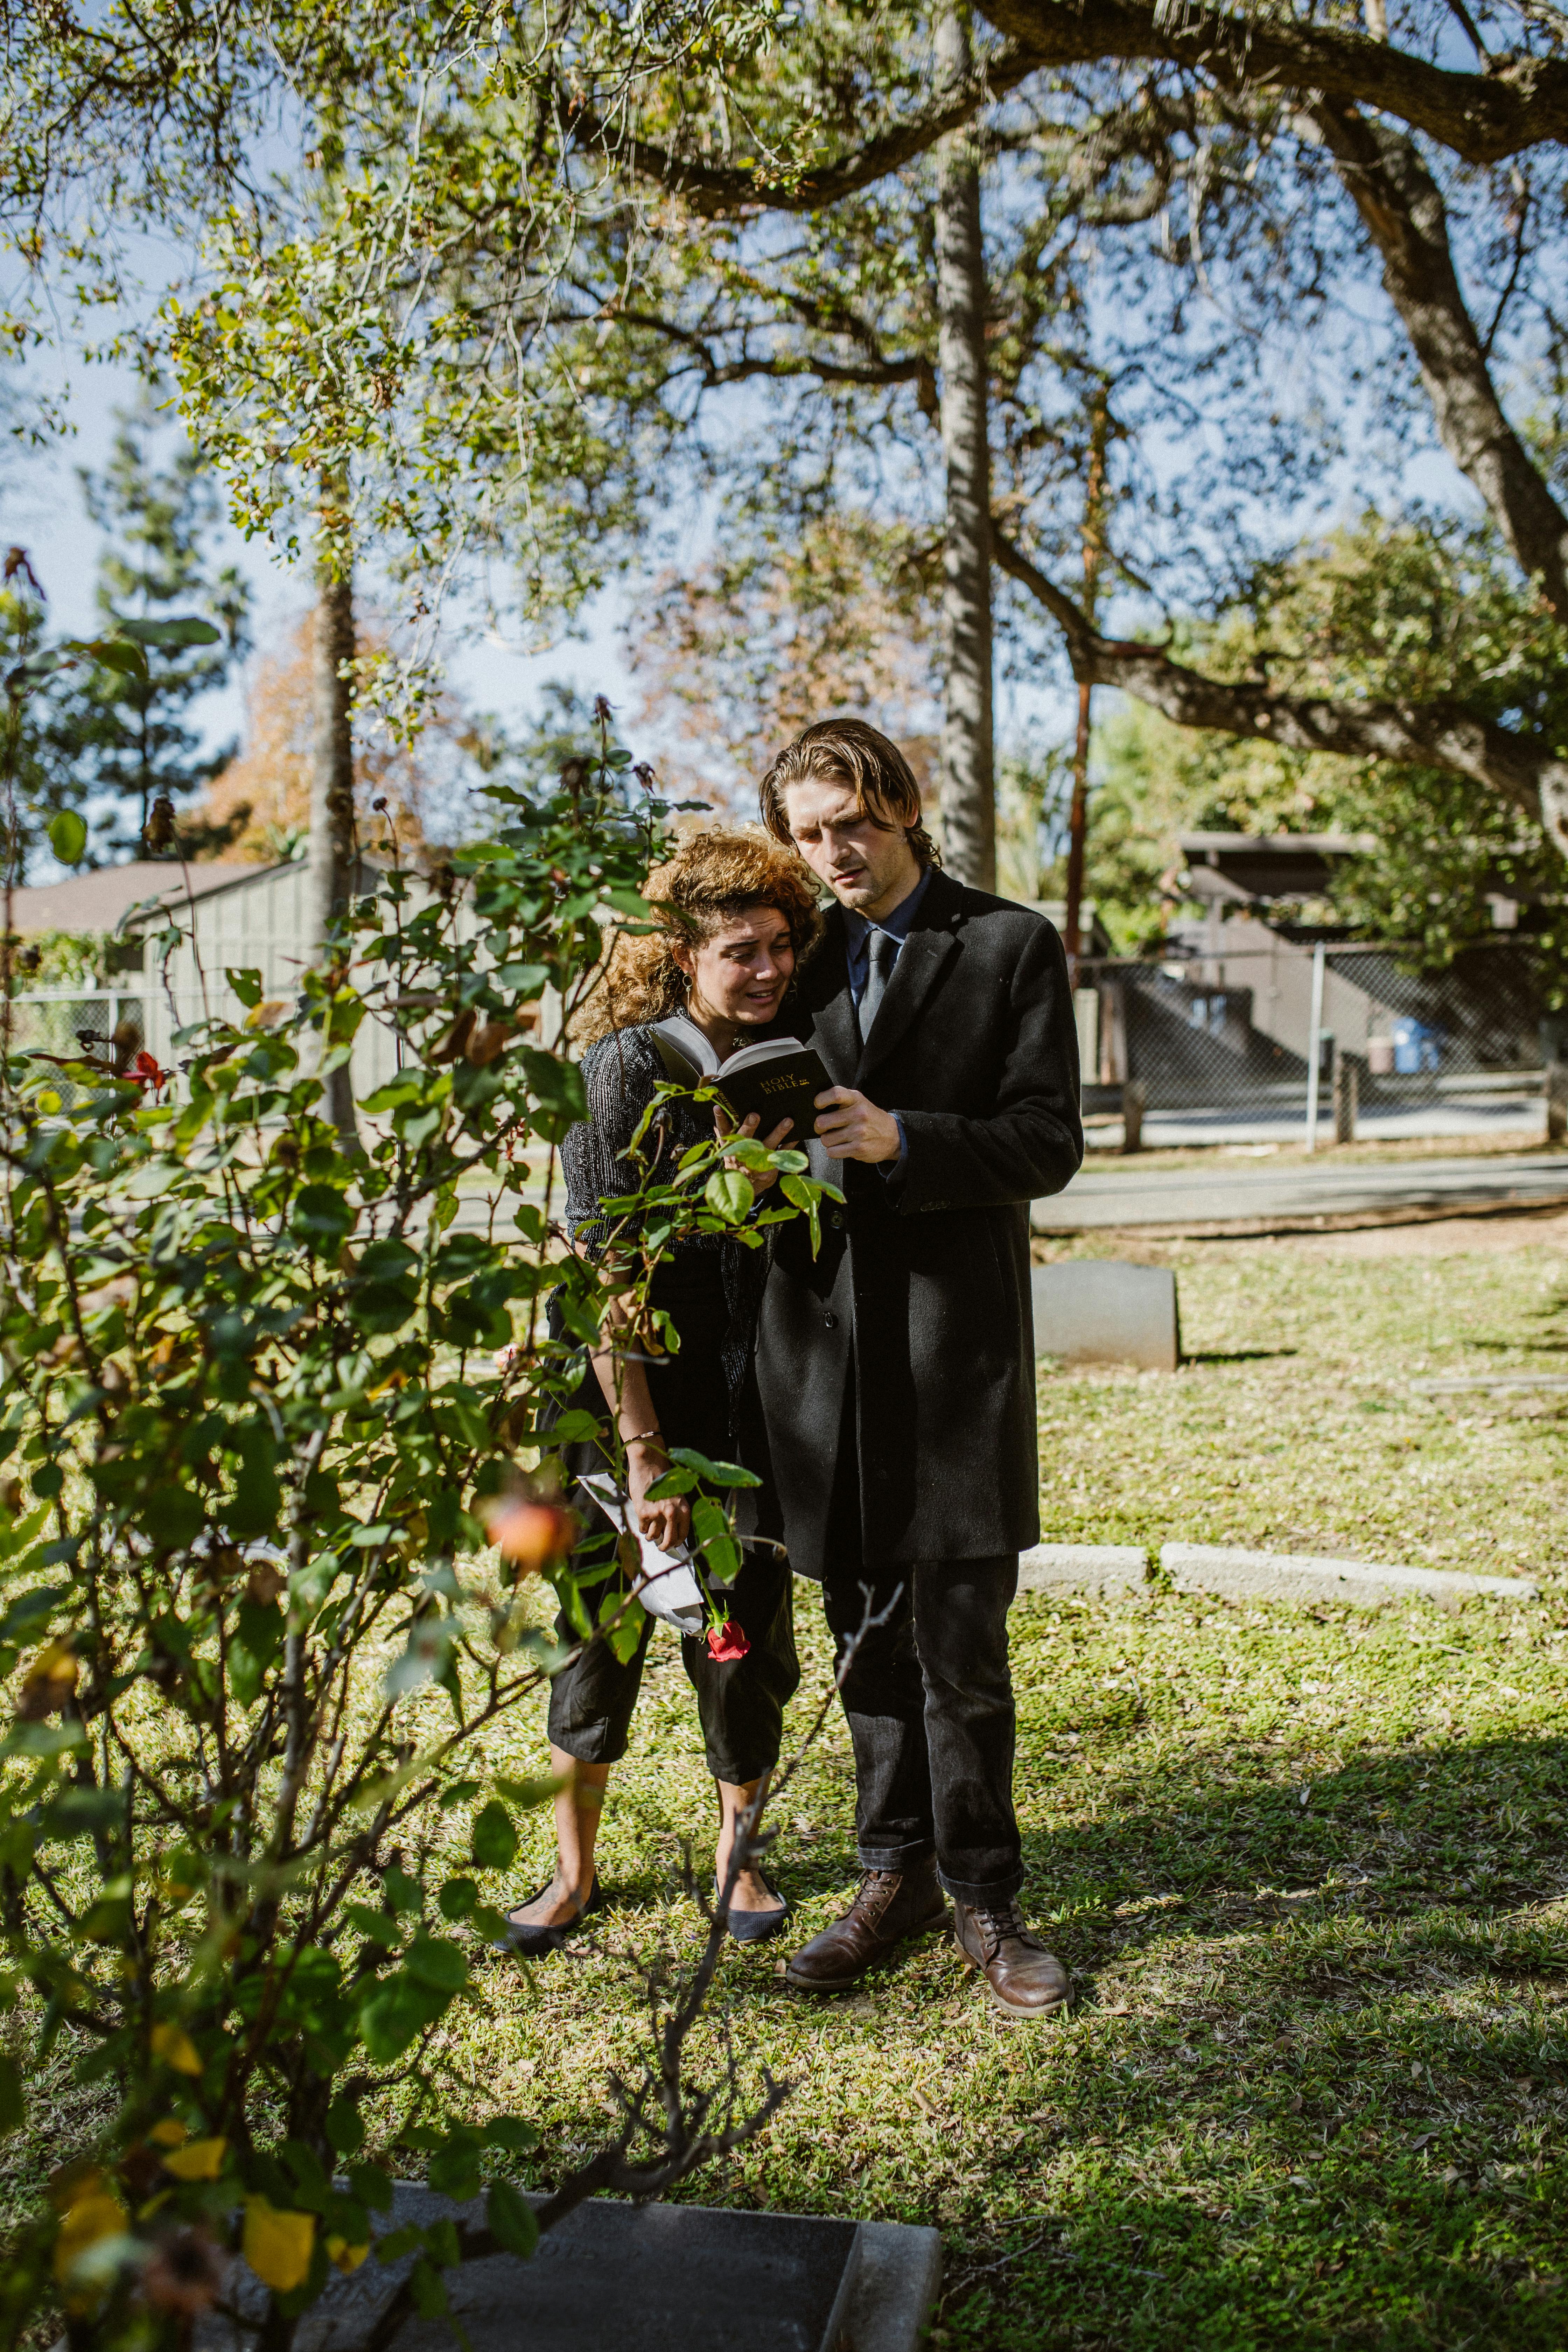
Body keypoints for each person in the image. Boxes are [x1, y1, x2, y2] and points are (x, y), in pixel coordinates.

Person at [752, 720, 1084, 2020]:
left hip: (955, 1355)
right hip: (817, 1357)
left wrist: (909, 1141)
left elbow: (1049, 1142)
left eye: (852, 823)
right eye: (808, 831)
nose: (832, 853)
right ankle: (887, 1879)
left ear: (903, 807)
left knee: (962, 1646)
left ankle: (987, 1896)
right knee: (866, 1643)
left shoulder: (1009, 946)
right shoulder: (790, 953)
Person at [504, 828, 823, 1955]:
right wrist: (643, 1457)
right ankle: (573, 1876)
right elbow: (607, 1271)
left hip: (750, 1408)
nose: (769, 968)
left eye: (782, 945)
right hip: (618, 1404)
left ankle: (741, 1862)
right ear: (681, 955)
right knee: (598, 1635)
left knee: (742, 1637)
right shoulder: (626, 1069)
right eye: (741, 950)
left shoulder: (792, 1058)